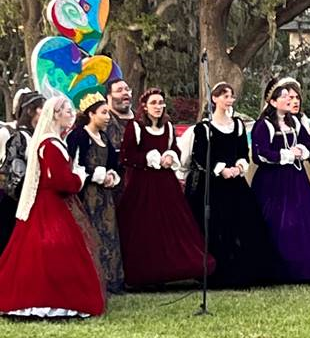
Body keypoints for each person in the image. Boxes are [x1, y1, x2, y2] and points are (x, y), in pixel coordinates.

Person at [0, 96, 105, 317]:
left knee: (46, 251)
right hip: (50, 205)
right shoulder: (50, 144)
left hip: (50, 202)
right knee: (53, 250)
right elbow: (60, 181)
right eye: (67, 110)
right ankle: (50, 301)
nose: (72, 114)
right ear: (56, 115)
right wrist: (80, 176)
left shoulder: (51, 142)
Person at [180, 82, 276, 287]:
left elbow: (242, 151)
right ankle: (218, 273)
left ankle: (247, 271)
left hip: (236, 182)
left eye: (231, 96)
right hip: (215, 185)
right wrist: (221, 169)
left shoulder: (238, 125)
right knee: (216, 226)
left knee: (246, 222)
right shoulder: (203, 128)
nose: (229, 100)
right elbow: (200, 156)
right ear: (214, 99)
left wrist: (239, 167)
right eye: (224, 96)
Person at [117, 88, 215, 287]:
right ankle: (145, 272)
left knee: (174, 224)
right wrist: (150, 158)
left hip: (166, 184)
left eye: (161, 103)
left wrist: (171, 155)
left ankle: (176, 269)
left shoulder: (168, 127)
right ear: (144, 106)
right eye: (154, 103)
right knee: (144, 225)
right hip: (143, 184)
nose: (158, 107)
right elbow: (127, 156)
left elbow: (175, 149)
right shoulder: (135, 127)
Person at [251, 79, 310, 283]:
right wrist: (286, 155)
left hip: (296, 179)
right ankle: (278, 269)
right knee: (277, 222)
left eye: (291, 97)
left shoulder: (295, 122)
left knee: (301, 221)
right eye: (284, 97)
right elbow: (260, 154)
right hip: (272, 181)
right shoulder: (263, 124)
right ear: (273, 102)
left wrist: (302, 150)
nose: (290, 100)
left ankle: (305, 269)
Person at [67, 92, 124, 293]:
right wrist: (95, 175)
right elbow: (74, 165)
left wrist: (110, 174)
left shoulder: (104, 137)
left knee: (107, 233)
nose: (108, 117)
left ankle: (111, 280)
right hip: (86, 194)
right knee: (89, 234)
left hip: (105, 196)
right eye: (104, 113)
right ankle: (90, 280)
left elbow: (113, 164)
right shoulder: (79, 135)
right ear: (91, 114)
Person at [0, 91, 45, 256]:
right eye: (42, 108)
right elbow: (16, 173)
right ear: (31, 111)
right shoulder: (20, 137)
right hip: (17, 201)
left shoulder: (38, 136)